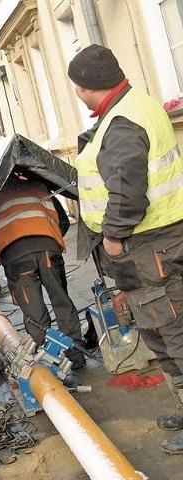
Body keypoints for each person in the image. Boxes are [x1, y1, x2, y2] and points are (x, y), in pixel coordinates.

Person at [68, 44, 183, 454]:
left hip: (147, 243)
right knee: (157, 326)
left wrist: (114, 237)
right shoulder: (137, 106)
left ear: (84, 88)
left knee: (171, 329)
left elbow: (128, 193)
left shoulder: (122, 123)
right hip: (157, 241)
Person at [0, 171, 86, 369]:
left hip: (16, 256)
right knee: (61, 299)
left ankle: (48, 360)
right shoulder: (38, 185)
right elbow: (62, 221)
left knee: (34, 311)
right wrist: (50, 238)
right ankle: (75, 353)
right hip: (48, 250)